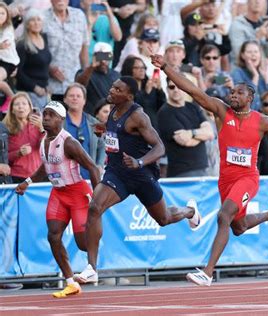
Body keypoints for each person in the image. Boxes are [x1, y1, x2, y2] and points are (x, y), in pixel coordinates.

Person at [151, 54, 268, 287]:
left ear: (250, 98)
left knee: (223, 216)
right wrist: (167, 68)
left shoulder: (263, 121)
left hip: (247, 178)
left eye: (239, 93)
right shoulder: (221, 111)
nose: (233, 95)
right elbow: (193, 90)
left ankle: (208, 273)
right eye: (232, 92)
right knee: (238, 228)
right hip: (225, 179)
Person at [73, 76, 201, 283]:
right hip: (117, 173)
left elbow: (160, 147)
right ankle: (91, 268)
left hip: (141, 175)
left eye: (117, 89)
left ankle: (190, 211)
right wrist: (104, 129)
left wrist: (140, 162)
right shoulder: (114, 109)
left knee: (164, 219)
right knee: (95, 208)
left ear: (128, 96)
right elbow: (120, 134)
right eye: (112, 86)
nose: (111, 90)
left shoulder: (139, 116)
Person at [15, 101, 100, 298]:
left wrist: (97, 200)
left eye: (51, 115)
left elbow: (94, 168)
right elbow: (46, 166)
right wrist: (27, 182)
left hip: (78, 192)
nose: (45, 119)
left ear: (61, 120)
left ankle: (94, 248)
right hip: (58, 194)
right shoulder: (44, 140)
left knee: (82, 244)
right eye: (44, 115)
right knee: (53, 236)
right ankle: (71, 283)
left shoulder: (69, 142)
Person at [4, 92, 44, 183]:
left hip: (38, 176)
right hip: (16, 176)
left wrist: (42, 128)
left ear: (30, 108)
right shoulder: (6, 129)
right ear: (12, 110)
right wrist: (18, 153)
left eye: (24, 104)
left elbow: (48, 148)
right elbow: (3, 157)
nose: (21, 107)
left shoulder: (39, 126)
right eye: (17, 104)